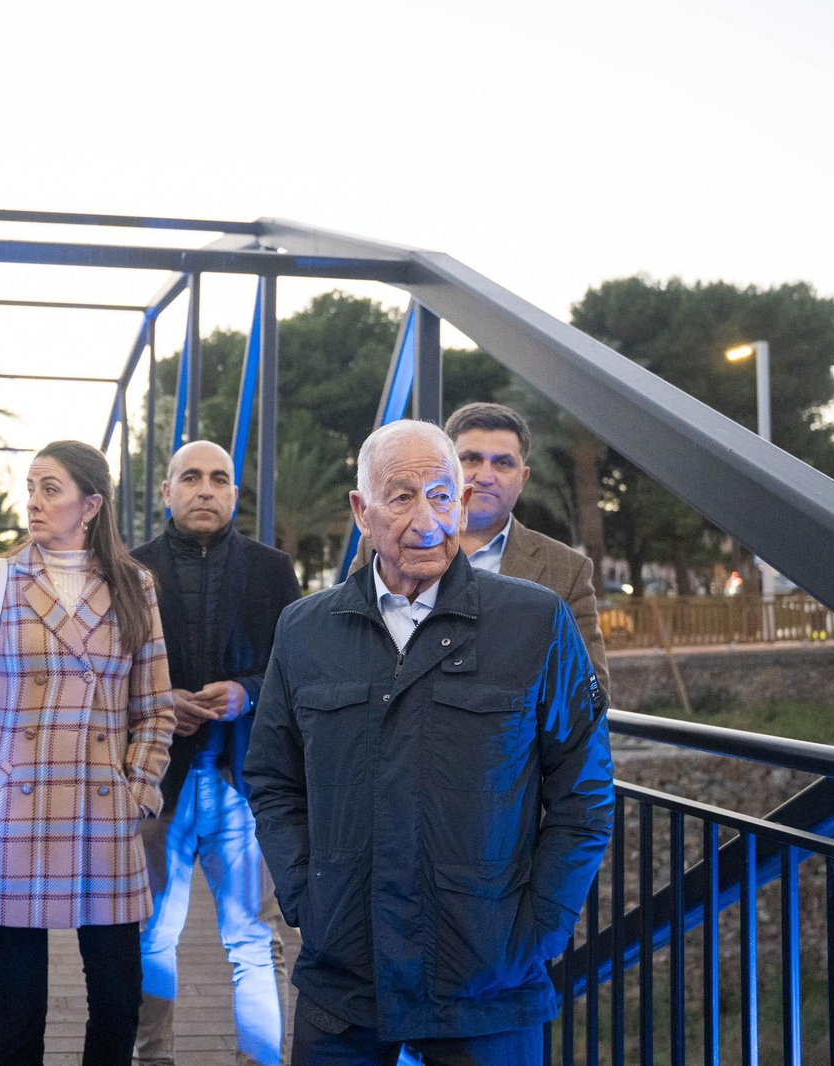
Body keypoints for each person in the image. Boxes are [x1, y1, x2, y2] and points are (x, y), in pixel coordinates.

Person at [245, 420, 613, 1066]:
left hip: (487, 986)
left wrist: (543, 928)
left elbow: (585, 791)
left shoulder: (535, 623)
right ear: (362, 511)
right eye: (401, 496)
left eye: (443, 496)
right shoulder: (304, 632)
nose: (427, 521)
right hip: (344, 982)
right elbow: (273, 777)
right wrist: (307, 894)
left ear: (462, 504)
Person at [0, 439, 177, 1066]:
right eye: (31, 486)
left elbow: (154, 707)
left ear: (91, 504)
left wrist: (138, 789)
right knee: (18, 1007)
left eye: (50, 489)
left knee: (118, 1001)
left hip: (103, 815)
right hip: (15, 811)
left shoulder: (134, 584)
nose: (33, 502)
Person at [130, 441, 301, 1066]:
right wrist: (157, 699)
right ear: (168, 491)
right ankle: (154, 1057)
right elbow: (102, 671)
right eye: (192, 477)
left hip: (240, 779)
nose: (206, 489)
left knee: (255, 938)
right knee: (151, 934)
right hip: (155, 781)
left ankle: (260, 1061)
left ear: (234, 493)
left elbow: (296, 667)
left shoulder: (272, 569)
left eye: (220, 479)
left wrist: (247, 694)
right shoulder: (129, 568)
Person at [445, 401, 611, 697]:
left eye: (503, 462)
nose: (485, 476)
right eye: (470, 459)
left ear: (522, 479)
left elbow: (590, 690)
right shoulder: (386, 548)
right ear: (444, 468)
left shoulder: (567, 570)